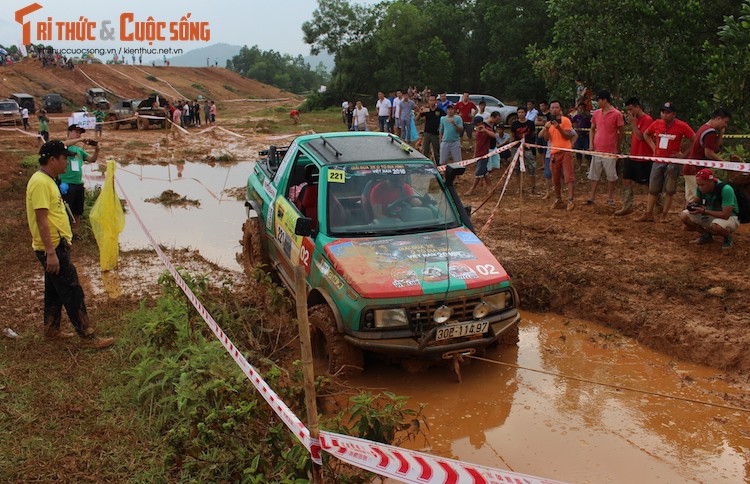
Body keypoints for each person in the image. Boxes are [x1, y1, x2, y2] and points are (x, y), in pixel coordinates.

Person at [26, 140, 114, 348]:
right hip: (52, 246)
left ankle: (51, 330)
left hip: (58, 243)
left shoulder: (50, 179)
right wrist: (51, 252)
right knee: (72, 289)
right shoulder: (40, 182)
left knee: (54, 289)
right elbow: (41, 219)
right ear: (52, 159)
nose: (67, 162)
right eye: (64, 158)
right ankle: (87, 336)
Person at [636, 102, 695, 223]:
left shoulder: (682, 125)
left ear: (674, 114)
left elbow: (694, 139)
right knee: (653, 188)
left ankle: (664, 215)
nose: (665, 114)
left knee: (669, 189)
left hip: (673, 162)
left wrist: (683, 155)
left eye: (668, 112)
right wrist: (653, 148)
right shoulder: (657, 123)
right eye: (663, 112)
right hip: (658, 160)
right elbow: (646, 134)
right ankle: (648, 213)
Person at [679, 169, 739, 249]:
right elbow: (696, 201)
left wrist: (704, 211)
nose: (700, 188)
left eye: (703, 185)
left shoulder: (726, 189)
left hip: (730, 217)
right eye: (698, 185)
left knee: (716, 226)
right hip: (711, 214)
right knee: (684, 216)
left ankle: (727, 238)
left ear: (711, 181)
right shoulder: (701, 188)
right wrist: (690, 205)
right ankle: (706, 236)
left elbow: (725, 215)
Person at [684, 108, 733, 203]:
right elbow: (709, 153)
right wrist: (724, 163)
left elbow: (714, 148)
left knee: (691, 199)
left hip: (690, 168)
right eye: (725, 122)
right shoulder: (710, 132)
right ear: (718, 118)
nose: (725, 125)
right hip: (697, 170)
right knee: (701, 199)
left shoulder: (704, 128)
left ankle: (687, 216)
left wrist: (721, 134)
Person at [616, 97, 654, 216]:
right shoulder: (636, 119)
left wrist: (633, 124)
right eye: (628, 110)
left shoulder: (647, 119)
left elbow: (641, 137)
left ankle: (658, 205)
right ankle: (627, 205)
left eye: (631, 109)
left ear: (638, 107)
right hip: (633, 155)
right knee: (626, 179)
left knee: (649, 183)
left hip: (645, 156)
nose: (630, 112)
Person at [587, 89, 624, 205]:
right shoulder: (597, 113)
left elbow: (621, 132)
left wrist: (618, 146)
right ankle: (592, 196)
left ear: (604, 100)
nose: (597, 102)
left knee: (611, 175)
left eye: (598, 100)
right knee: (594, 174)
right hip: (597, 149)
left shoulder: (617, 114)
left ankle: (610, 197)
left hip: (610, 150)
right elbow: (592, 129)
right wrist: (591, 144)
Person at [541, 101, 577, 211]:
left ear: (560, 109)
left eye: (557, 107)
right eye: (553, 107)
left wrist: (559, 128)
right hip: (554, 153)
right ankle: (558, 199)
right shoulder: (549, 123)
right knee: (555, 178)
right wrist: (547, 129)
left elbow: (568, 136)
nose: (555, 109)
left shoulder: (565, 120)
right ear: (550, 109)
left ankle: (570, 200)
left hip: (565, 151)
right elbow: (547, 139)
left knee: (568, 176)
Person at [61, 124, 99, 227]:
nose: (78, 135)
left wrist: (97, 150)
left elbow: (92, 159)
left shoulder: (79, 151)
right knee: (65, 211)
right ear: (69, 132)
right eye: (76, 132)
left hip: (78, 184)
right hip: (66, 184)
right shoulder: (62, 147)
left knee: (77, 211)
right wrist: (80, 140)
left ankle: (75, 232)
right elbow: (63, 144)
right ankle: (65, 233)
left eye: (80, 133)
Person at [509, 107, 537, 192]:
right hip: (516, 147)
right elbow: (513, 135)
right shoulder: (514, 124)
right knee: (516, 167)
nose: (520, 114)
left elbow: (532, 134)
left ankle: (533, 187)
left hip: (528, 147)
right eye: (519, 112)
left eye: (522, 112)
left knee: (531, 167)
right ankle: (519, 188)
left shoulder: (530, 123)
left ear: (525, 113)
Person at [465, 116, 495, 195]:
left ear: (480, 123)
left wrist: (484, 130)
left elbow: (493, 135)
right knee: (484, 172)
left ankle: (472, 189)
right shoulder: (477, 131)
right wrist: (474, 154)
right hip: (478, 154)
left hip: (484, 154)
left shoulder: (486, 129)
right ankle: (490, 187)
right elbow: (477, 143)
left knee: (478, 173)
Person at [419, 95, 443, 163]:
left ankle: (438, 165)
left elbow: (444, 118)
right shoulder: (426, 110)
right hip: (427, 132)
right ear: (428, 101)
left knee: (436, 151)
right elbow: (417, 119)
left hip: (435, 133)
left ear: (436, 101)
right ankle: (425, 164)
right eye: (430, 100)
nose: (432, 102)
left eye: (433, 100)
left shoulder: (439, 110)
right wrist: (420, 112)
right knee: (425, 150)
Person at [570, 102, 592, 168]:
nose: (581, 110)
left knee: (587, 153)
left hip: (586, 136)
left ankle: (589, 167)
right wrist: (575, 126)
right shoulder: (576, 116)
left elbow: (592, 126)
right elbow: (571, 122)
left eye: (582, 108)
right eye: (579, 108)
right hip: (578, 136)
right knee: (578, 152)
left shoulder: (588, 117)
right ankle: (579, 166)